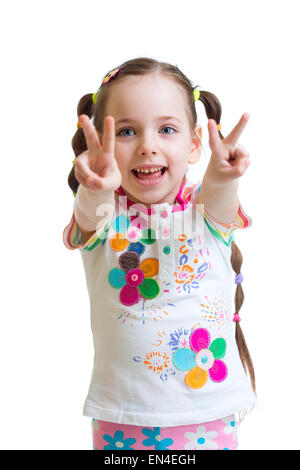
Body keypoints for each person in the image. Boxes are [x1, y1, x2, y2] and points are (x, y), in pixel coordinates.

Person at [63, 57, 256, 451]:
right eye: (128, 131)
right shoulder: (106, 218)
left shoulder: (207, 215)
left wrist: (221, 178)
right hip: (123, 417)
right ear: (103, 142)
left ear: (194, 144)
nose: (148, 146)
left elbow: (220, 200)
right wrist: (96, 186)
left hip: (209, 413)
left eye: (167, 129)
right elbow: (89, 211)